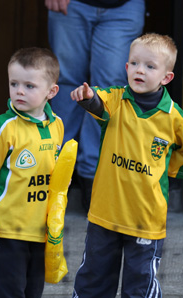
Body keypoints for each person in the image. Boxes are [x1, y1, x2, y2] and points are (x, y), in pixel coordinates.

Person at [69, 33, 183, 297]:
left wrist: (165, 173)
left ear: (166, 77)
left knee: (140, 284)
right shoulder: (115, 100)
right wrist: (86, 96)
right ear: (126, 68)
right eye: (134, 63)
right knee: (93, 280)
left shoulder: (175, 118)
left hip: (145, 218)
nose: (140, 70)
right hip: (105, 213)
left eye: (150, 66)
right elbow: (96, 102)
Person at [0, 47, 64, 298]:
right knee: (7, 293)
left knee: (33, 292)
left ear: (51, 91)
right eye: (14, 84)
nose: (19, 91)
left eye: (29, 86)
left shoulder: (57, 125)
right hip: (6, 231)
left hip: (40, 232)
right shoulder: (4, 126)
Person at [45, 0, 145, 212]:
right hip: (73, 4)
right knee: (64, 82)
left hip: (124, 6)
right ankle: (55, 168)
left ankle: (92, 173)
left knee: (108, 89)